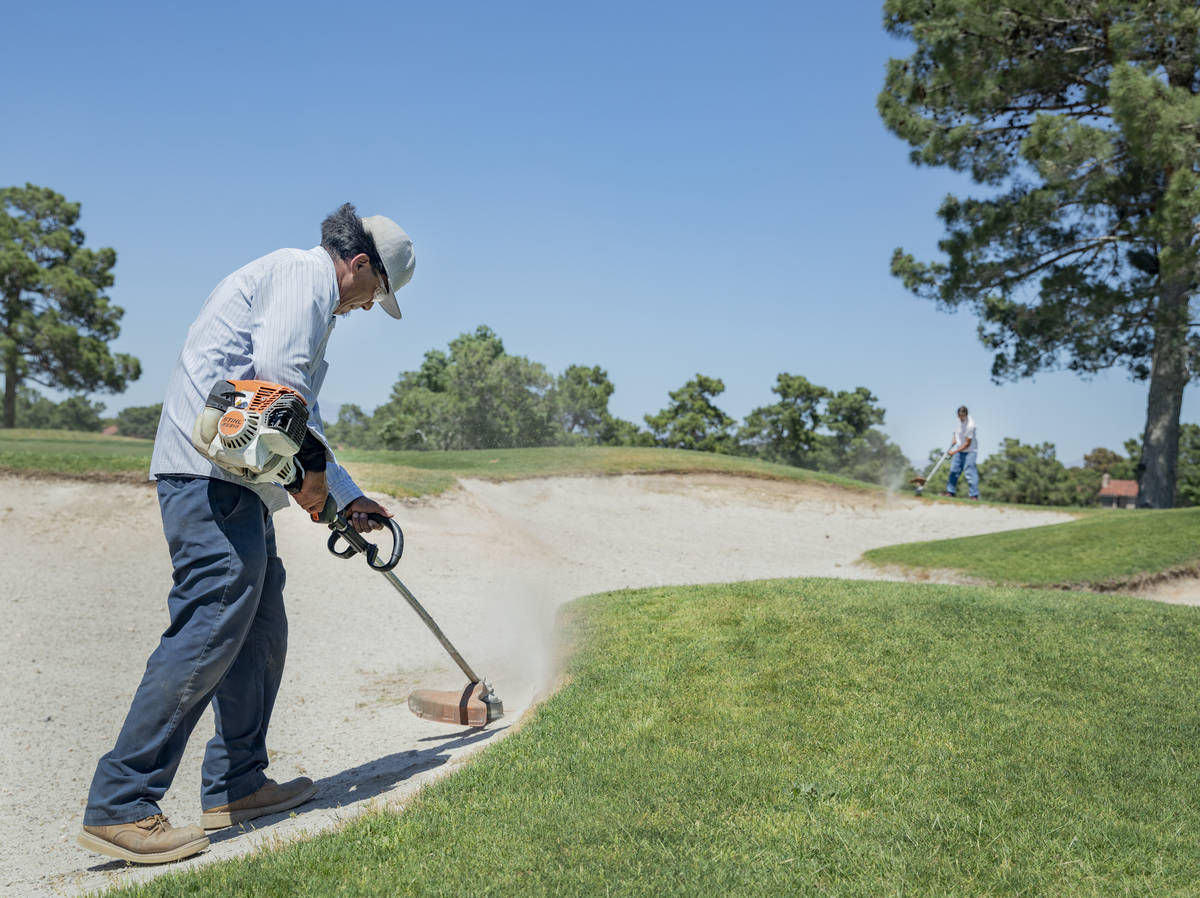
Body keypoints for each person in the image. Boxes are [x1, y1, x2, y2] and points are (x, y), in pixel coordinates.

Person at [78, 203, 415, 865]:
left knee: (260, 626)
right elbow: (278, 390)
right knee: (213, 618)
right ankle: (121, 802)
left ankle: (237, 784)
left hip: (238, 485)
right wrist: (311, 481)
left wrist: (344, 498)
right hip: (210, 480)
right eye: (378, 293)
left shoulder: (306, 293)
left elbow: (297, 418)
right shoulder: (303, 278)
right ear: (359, 265)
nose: (370, 307)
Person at [944, 405, 979, 500]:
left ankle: (974, 495)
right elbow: (956, 431)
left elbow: (967, 443)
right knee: (953, 471)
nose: (961, 418)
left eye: (962, 416)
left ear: (966, 415)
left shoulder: (971, 425)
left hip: (970, 451)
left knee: (970, 473)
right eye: (959, 416)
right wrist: (954, 439)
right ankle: (950, 492)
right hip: (959, 449)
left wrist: (954, 451)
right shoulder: (958, 420)